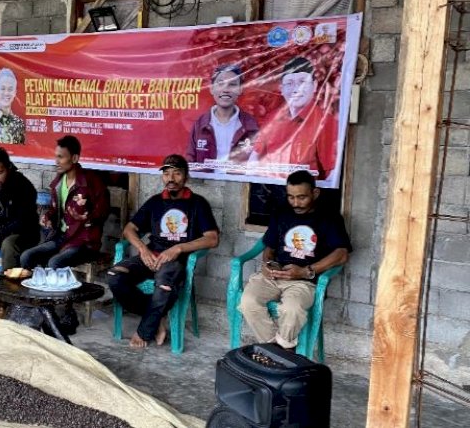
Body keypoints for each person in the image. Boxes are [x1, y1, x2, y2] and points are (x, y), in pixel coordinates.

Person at [107, 154, 220, 348]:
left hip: (175, 262)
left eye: (177, 173)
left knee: (163, 286)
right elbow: (129, 229)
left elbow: (212, 238)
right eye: (166, 173)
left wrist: (178, 248)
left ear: (186, 177)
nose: (171, 178)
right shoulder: (155, 202)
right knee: (114, 276)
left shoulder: (197, 203)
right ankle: (156, 316)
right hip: (150, 256)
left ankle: (144, 332)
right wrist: (142, 249)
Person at [238, 170, 351, 350]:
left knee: (292, 309)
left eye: (301, 197)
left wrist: (305, 271)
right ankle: (276, 349)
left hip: (304, 281)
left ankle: (281, 349)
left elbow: (342, 253)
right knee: (248, 301)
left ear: (315, 193)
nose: (296, 203)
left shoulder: (329, 217)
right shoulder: (282, 211)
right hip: (275, 276)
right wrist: (267, 264)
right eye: (291, 197)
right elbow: (269, 247)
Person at [20, 135, 110, 269]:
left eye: (61, 157)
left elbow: (102, 213)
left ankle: (58, 290)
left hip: (84, 242)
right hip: (61, 238)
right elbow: (54, 210)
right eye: (56, 156)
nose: (56, 161)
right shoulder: (58, 183)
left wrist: (85, 218)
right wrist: (48, 217)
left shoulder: (92, 183)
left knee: (54, 263)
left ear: (74, 158)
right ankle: (34, 288)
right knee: (27, 256)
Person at [250, 57, 339, 180]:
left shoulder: (326, 122)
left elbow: (332, 174)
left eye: (302, 82)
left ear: (314, 85)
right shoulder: (273, 118)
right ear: (281, 89)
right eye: (289, 83)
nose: (296, 89)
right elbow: (254, 158)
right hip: (270, 190)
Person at [185, 64, 259, 173]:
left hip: (238, 187)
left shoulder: (251, 125)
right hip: (205, 186)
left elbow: (258, 164)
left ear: (240, 89)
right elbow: (190, 160)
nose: (225, 89)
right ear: (211, 89)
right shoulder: (200, 124)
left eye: (232, 84)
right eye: (220, 84)